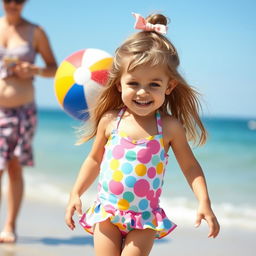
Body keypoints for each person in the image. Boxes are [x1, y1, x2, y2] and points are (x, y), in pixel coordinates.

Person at [65, 12, 220, 256]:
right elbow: (94, 160)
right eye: (134, 83)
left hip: (145, 219)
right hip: (107, 212)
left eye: (154, 85)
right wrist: (75, 193)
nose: (142, 93)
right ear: (119, 84)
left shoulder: (169, 127)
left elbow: (190, 167)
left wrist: (204, 202)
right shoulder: (110, 121)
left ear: (169, 87)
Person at [0, 0, 57, 243]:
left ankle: (10, 226)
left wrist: (32, 70)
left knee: (13, 165)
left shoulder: (36, 31)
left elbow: (53, 68)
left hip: (23, 110)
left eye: (20, 0)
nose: (13, 4)